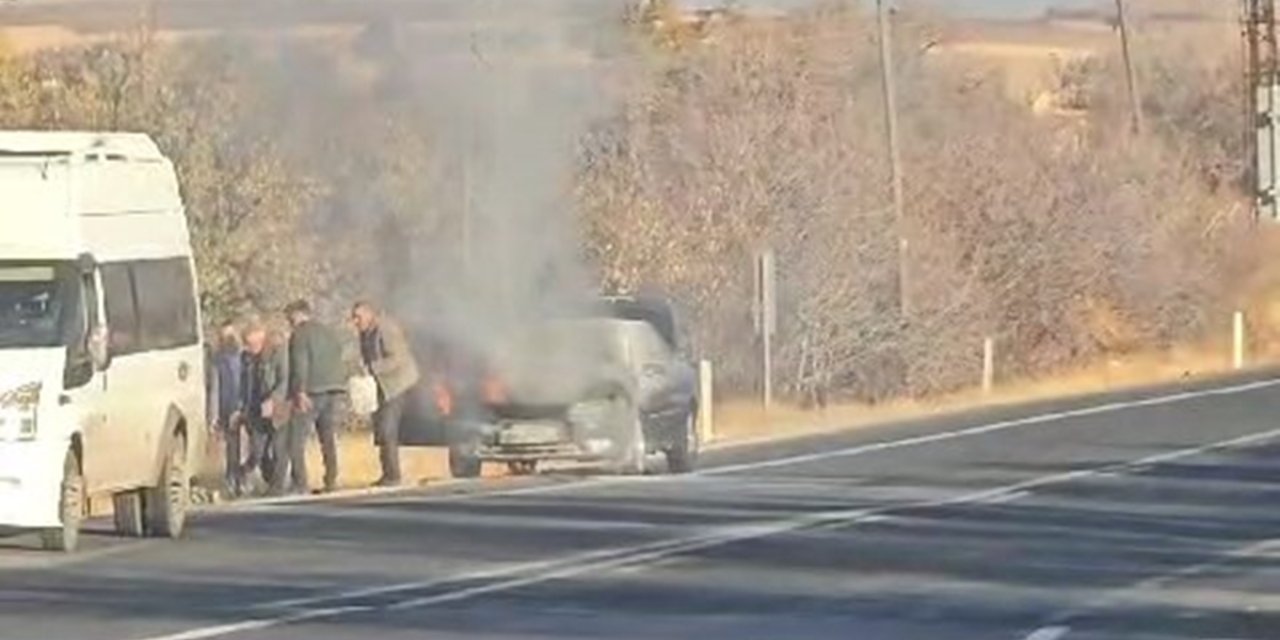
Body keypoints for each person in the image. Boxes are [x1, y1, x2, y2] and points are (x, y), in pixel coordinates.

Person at [352, 301, 421, 487]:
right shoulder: (364, 332)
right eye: (354, 317)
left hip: (398, 384)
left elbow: (398, 358)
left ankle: (393, 475)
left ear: (369, 314)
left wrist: (373, 368)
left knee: (387, 428)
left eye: (358, 316)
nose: (355, 321)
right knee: (380, 428)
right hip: (382, 384)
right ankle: (387, 473)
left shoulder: (386, 329)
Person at [284, 300, 346, 494]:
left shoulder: (300, 334)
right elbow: (339, 356)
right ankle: (331, 479)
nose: (288, 322)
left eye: (289, 318)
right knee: (327, 437)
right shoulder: (328, 332)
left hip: (311, 391)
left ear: (298, 314)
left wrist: (300, 391)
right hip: (333, 389)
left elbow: (300, 363)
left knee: (295, 438)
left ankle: (300, 482)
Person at [240, 323, 289, 495]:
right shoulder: (247, 359)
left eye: (253, 344)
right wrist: (242, 409)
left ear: (262, 339)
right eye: (247, 344)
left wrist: (274, 399)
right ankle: (265, 479)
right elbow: (245, 385)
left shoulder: (277, 353)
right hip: (255, 408)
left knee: (279, 448)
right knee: (257, 450)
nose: (250, 348)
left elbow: (284, 379)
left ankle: (277, 486)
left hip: (277, 407)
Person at [211, 322, 245, 497]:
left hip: (236, 404)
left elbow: (240, 383)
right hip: (227, 405)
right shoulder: (219, 358)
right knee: (232, 445)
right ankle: (235, 480)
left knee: (237, 445)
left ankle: (238, 478)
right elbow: (215, 387)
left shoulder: (238, 356)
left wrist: (238, 407)